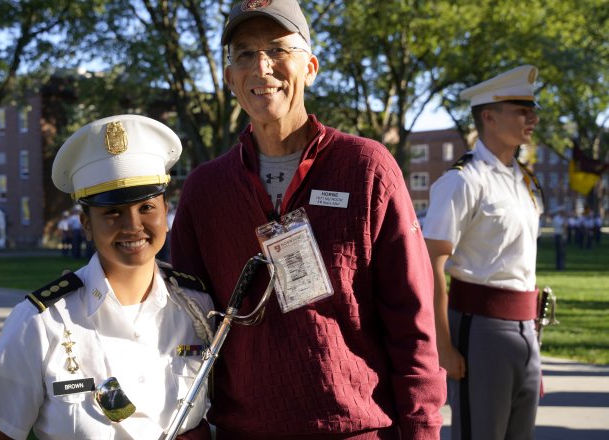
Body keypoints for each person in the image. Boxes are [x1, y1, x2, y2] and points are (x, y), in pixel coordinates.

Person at [170, 2, 445, 438]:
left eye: (278, 49)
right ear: (229, 78)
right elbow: (185, 328)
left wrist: (422, 429)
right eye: (245, 53)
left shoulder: (367, 169)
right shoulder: (205, 190)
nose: (262, 67)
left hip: (356, 430)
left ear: (311, 68)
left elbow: (412, 321)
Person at [0, 114, 215, 440]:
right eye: (112, 212)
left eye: (146, 208)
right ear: (86, 224)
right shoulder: (40, 323)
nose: (132, 225)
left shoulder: (198, 309)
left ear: (165, 212)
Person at [422, 65, 543, 440]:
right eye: (521, 110)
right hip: (481, 328)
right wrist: (444, 347)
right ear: (488, 116)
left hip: (526, 328)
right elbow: (431, 264)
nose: (533, 118)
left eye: (532, 110)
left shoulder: (523, 180)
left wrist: (530, 335)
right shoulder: (462, 181)